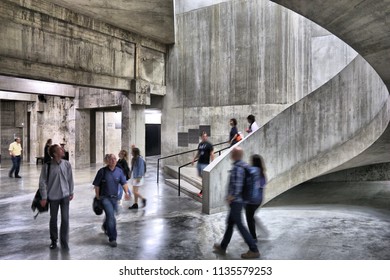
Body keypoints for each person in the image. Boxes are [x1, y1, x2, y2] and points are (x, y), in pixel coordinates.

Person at [213, 147, 260, 259]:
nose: (230, 153)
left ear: (236, 155)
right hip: (239, 201)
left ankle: (254, 249)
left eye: (232, 152)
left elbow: (238, 186)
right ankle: (223, 246)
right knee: (230, 223)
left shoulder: (238, 168)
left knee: (240, 226)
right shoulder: (242, 166)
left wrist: (231, 196)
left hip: (236, 202)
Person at [39, 144, 74, 250]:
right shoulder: (47, 166)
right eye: (60, 149)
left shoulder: (67, 164)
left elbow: (70, 179)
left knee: (65, 219)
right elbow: (42, 182)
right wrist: (44, 197)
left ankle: (64, 241)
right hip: (53, 197)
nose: (62, 150)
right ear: (54, 153)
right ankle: (53, 240)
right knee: (53, 219)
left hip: (65, 196)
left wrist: (71, 191)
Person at [93, 154, 130, 247]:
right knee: (111, 216)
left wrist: (126, 193)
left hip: (114, 198)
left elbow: (124, 183)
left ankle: (105, 226)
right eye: (110, 159)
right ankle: (112, 238)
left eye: (114, 158)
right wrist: (98, 197)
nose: (113, 160)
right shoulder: (102, 172)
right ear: (107, 161)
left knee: (110, 216)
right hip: (104, 198)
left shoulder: (119, 171)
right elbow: (96, 185)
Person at [245, 154, 267, 241]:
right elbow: (262, 185)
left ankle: (253, 238)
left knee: (249, 218)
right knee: (251, 217)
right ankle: (256, 235)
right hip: (259, 199)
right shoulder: (262, 173)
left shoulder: (253, 171)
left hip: (252, 199)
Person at [191, 132, 214, 198]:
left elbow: (212, 153)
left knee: (204, 179)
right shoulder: (200, 144)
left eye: (206, 136)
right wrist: (193, 159)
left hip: (205, 164)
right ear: (201, 137)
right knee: (199, 175)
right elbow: (198, 153)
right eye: (203, 136)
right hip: (199, 163)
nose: (205, 137)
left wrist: (213, 163)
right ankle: (206, 183)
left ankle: (202, 191)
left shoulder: (209, 144)